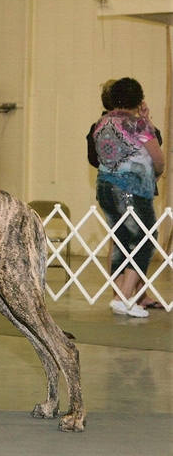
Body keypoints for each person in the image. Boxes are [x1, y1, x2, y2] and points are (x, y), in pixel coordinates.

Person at [92, 77, 165, 318]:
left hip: (105, 188)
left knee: (121, 241)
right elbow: (157, 156)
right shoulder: (137, 125)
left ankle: (118, 296)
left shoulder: (100, 123)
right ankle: (125, 297)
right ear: (137, 98)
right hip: (131, 188)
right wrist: (156, 173)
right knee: (145, 239)